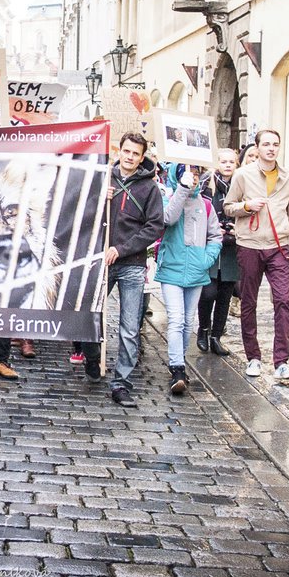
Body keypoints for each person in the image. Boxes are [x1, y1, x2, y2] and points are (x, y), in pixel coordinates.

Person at [223, 129, 289, 381]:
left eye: (275, 144)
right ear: (257, 148)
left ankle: (281, 361)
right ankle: (253, 357)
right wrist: (246, 206)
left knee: (283, 300)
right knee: (248, 301)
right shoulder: (242, 175)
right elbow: (228, 207)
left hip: (279, 246)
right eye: (266, 144)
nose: (271, 149)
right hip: (249, 245)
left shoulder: (288, 177)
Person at [102, 132, 165, 406]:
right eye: (126, 151)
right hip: (102, 262)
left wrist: (123, 248)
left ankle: (121, 383)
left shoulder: (149, 188)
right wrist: (97, 198)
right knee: (90, 316)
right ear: (120, 150)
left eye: (135, 154)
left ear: (142, 157)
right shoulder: (104, 178)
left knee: (129, 327)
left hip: (131, 264)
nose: (129, 157)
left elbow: (155, 226)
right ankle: (93, 360)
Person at [156, 164, 222, 394]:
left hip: (196, 270)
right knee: (175, 318)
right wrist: (182, 189)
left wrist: (206, 259)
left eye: (195, 174)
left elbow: (215, 235)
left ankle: (180, 358)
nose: (192, 178)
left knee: (188, 321)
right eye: (187, 173)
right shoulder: (168, 197)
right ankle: (177, 368)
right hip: (171, 269)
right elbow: (168, 219)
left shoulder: (205, 204)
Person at [197, 149, 241, 356]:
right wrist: (214, 228)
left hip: (232, 248)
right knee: (208, 292)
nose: (228, 165)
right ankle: (203, 329)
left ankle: (216, 337)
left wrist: (234, 226)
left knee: (225, 294)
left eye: (232, 161)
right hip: (211, 245)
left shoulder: (241, 185)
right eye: (223, 161)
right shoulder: (208, 185)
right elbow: (199, 212)